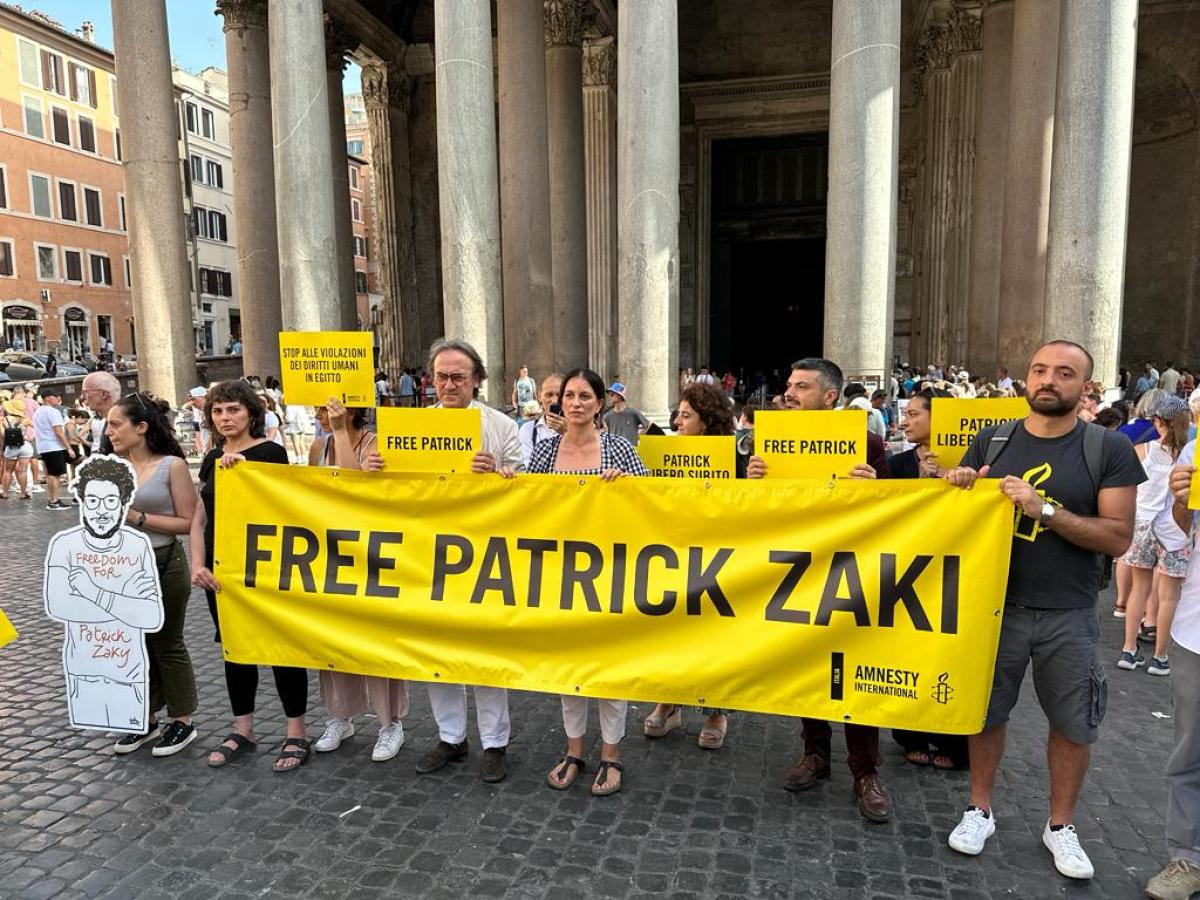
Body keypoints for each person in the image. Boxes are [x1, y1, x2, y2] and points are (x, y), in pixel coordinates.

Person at [942, 340, 1144, 880]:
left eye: (1063, 372)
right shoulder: (993, 439)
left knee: (1073, 722)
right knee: (986, 713)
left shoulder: (1108, 448)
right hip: (993, 607)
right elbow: (951, 519)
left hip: (1070, 612)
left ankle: (1060, 824)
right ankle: (978, 809)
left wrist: (1045, 509)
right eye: (1039, 370)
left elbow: (1118, 538)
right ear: (1025, 379)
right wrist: (957, 485)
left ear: (1085, 387)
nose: (1048, 380)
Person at [746, 357, 891, 823]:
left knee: (853, 668)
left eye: (802, 387)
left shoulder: (867, 443)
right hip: (797, 569)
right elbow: (757, 511)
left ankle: (865, 771)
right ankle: (815, 753)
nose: (789, 393)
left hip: (851, 571)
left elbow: (901, 513)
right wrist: (754, 482)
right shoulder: (769, 442)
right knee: (809, 665)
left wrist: (877, 486)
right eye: (789, 385)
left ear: (830, 397)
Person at [398, 339, 523, 783]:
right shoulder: (410, 428)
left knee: (486, 653)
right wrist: (376, 466)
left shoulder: (503, 427)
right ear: (432, 379)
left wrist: (500, 477)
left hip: (486, 554)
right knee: (438, 650)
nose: (449, 385)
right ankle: (451, 737)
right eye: (442, 376)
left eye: (459, 376)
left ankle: (495, 743)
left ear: (477, 380)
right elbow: (395, 489)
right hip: (428, 555)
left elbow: (527, 490)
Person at [529, 368, 648, 796]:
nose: (575, 402)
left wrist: (630, 486)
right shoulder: (543, 454)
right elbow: (526, 508)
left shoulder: (620, 449)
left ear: (600, 403)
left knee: (609, 669)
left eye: (584, 396)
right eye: (568, 395)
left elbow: (653, 504)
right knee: (568, 668)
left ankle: (611, 755)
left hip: (611, 576)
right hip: (559, 576)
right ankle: (574, 749)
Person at [190, 381, 310, 773]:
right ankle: (244, 727)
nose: (225, 418)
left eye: (233, 410)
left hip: (263, 567)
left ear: (251, 413)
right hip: (221, 570)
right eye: (218, 411)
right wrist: (197, 563)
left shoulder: (271, 452)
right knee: (234, 649)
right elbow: (199, 516)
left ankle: (297, 731)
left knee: (280, 647)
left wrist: (247, 473)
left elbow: (282, 505)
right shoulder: (210, 458)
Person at [643, 381, 742, 751]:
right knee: (670, 632)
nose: (678, 422)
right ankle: (668, 702)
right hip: (671, 554)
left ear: (707, 420)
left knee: (714, 637)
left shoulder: (732, 456)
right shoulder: (663, 451)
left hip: (717, 558)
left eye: (686, 416)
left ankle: (717, 711)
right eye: (677, 415)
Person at [307, 399, 408, 762]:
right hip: (331, 555)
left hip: (373, 556)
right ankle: (340, 716)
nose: (318, 416)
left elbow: (353, 487)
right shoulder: (319, 446)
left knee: (376, 639)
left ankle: (390, 722)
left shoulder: (374, 442)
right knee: (334, 639)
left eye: (323, 410)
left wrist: (338, 430)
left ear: (347, 410)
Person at [106, 392, 200, 757]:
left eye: (116, 424)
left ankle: (182, 720)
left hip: (162, 563)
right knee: (131, 646)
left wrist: (136, 518)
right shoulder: (112, 465)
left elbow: (188, 521)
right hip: (121, 568)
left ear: (141, 428)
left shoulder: (171, 466)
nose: (109, 430)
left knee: (167, 642)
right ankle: (143, 720)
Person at [884, 387, 970, 770]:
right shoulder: (899, 462)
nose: (906, 420)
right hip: (909, 570)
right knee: (908, 650)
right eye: (906, 413)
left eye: (915, 414)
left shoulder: (969, 461)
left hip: (956, 570)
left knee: (951, 653)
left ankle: (954, 739)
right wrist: (922, 483)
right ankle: (911, 734)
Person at [1144, 456, 1200, 900]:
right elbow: (1171, 532)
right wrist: (1182, 500)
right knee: (1190, 752)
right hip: (1197, 632)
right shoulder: (1196, 450)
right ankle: (1187, 857)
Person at [1117, 395, 1192, 676]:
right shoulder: (1189, 456)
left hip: (1141, 524)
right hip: (1175, 528)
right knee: (1169, 595)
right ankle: (1160, 656)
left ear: (1158, 421)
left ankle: (1129, 648)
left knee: (1139, 589)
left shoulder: (1141, 451)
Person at [33, 387, 74, 510]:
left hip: (43, 446)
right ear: (48, 398)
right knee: (54, 475)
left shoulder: (38, 412)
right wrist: (68, 448)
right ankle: (54, 501)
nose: (59, 398)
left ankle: (53, 499)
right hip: (54, 446)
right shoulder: (53, 412)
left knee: (50, 474)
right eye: (56, 396)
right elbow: (58, 432)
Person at [518, 373, 566, 467]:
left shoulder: (580, 429)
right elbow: (528, 466)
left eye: (559, 395)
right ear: (539, 396)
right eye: (549, 395)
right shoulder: (529, 430)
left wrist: (569, 433)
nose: (554, 401)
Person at [1, 394, 34, 500]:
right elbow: (37, 427)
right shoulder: (25, 419)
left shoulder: (3, 420)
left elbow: (2, 436)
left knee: (8, 471)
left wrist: (2, 449)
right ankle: (23, 493)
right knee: (23, 470)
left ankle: (5, 493)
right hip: (24, 446)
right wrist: (30, 438)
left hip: (11, 447)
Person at [81, 370, 122, 455]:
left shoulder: (124, 420)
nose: (83, 397)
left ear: (104, 394)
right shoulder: (110, 419)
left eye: (85, 392)